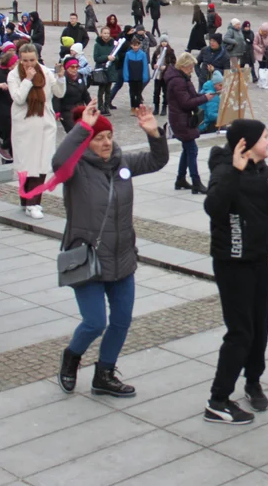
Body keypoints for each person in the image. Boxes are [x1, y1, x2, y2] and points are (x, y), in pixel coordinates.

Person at [56, 101, 168, 398]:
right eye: (99, 138)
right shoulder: (75, 170)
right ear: (87, 142)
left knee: (121, 320)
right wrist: (81, 129)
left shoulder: (123, 163)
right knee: (94, 322)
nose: (106, 143)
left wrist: (154, 134)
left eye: (109, 137)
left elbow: (157, 162)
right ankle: (71, 357)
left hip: (121, 256)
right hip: (87, 258)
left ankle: (104, 375)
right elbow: (58, 162)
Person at [203, 120, 268, 424]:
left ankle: (253, 381)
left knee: (259, 327)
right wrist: (235, 171)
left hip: (259, 258)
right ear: (245, 144)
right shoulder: (224, 170)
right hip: (233, 262)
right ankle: (217, 400)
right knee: (240, 332)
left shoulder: (262, 170)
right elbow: (214, 207)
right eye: (264, 137)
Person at [8, 44, 65, 219]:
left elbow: (59, 93)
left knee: (42, 163)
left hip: (45, 123)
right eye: (25, 60)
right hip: (25, 125)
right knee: (26, 164)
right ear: (20, 59)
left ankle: (35, 202)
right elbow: (17, 98)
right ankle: (26, 200)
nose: (29, 64)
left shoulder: (46, 72)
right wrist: (27, 80)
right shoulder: (14, 75)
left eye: (32, 60)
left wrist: (61, 77)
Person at [165, 53, 212, 193]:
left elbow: (190, 95)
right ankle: (196, 182)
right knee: (192, 150)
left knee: (188, 149)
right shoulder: (178, 81)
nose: (192, 70)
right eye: (191, 67)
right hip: (181, 120)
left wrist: (204, 96)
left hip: (182, 119)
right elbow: (185, 103)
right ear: (184, 66)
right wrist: (204, 99)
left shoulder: (182, 78)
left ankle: (180, 179)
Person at [55, 56, 91, 132]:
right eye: (72, 67)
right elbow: (56, 97)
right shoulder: (62, 79)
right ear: (66, 68)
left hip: (80, 109)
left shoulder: (79, 77)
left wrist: (91, 106)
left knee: (86, 131)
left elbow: (85, 94)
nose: (75, 69)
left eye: (77, 67)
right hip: (67, 111)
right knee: (74, 132)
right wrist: (57, 112)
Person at [92, 27, 118, 116]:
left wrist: (114, 58)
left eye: (108, 33)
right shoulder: (97, 45)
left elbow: (117, 56)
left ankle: (107, 106)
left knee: (108, 89)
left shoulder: (113, 44)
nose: (106, 35)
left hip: (110, 70)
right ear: (101, 34)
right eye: (104, 33)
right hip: (101, 70)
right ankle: (100, 106)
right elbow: (96, 58)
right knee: (101, 89)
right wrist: (107, 57)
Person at [151, 35, 176, 116]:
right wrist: (154, 66)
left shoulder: (170, 51)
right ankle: (156, 107)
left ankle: (164, 107)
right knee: (156, 92)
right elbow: (153, 61)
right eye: (162, 41)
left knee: (165, 92)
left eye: (165, 41)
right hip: (158, 75)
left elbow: (173, 62)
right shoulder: (157, 51)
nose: (164, 43)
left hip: (166, 75)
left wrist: (166, 66)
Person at [122, 36, 149, 109]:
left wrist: (145, 76)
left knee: (139, 92)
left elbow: (145, 66)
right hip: (132, 76)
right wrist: (126, 76)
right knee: (132, 92)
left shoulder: (143, 54)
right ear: (131, 45)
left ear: (139, 45)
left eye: (137, 45)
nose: (135, 47)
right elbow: (125, 66)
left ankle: (138, 106)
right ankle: (133, 106)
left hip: (139, 76)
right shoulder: (128, 54)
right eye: (134, 45)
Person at [253, 22, 268, 89]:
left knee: (266, 66)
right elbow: (254, 44)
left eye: (266, 31)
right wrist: (260, 49)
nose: (265, 33)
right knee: (261, 66)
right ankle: (261, 81)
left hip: (266, 52)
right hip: (259, 52)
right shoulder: (257, 34)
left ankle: (264, 80)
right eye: (264, 31)